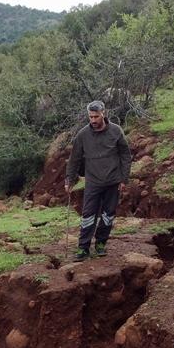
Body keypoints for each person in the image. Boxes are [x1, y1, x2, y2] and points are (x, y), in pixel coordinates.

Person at [64, 100, 132, 261]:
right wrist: (69, 179)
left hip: (113, 181)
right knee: (88, 215)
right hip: (93, 182)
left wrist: (124, 178)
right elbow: (74, 159)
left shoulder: (116, 131)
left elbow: (125, 155)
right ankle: (83, 248)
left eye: (96, 116)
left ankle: (101, 243)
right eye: (90, 117)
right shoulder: (83, 135)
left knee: (108, 214)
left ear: (104, 114)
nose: (93, 120)